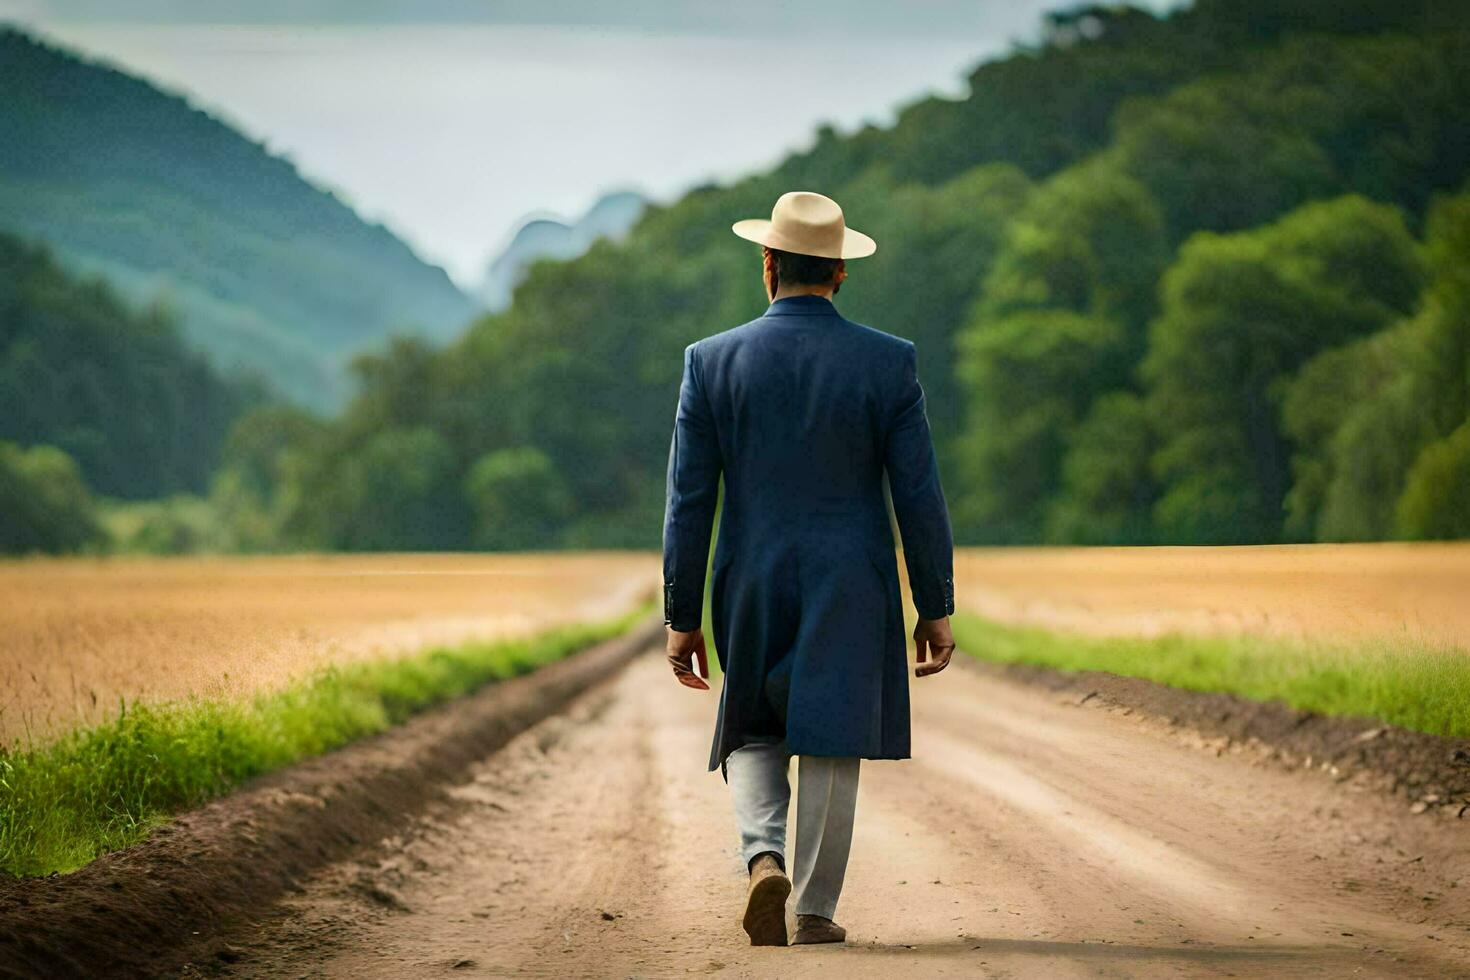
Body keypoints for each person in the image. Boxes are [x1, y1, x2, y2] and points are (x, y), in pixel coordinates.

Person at [661, 191, 957, 947]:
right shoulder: (889, 362)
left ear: (767, 264)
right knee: (831, 730)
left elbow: (689, 501)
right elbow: (918, 493)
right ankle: (816, 908)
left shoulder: (710, 361)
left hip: (750, 575)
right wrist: (935, 603)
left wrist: (681, 616)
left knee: (753, 724)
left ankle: (763, 857)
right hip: (851, 577)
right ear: (840, 273)